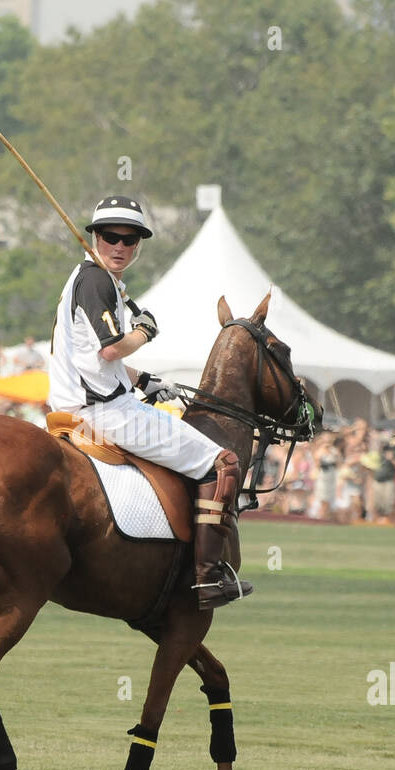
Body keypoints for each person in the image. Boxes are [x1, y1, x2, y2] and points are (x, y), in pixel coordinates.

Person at [47, 195, 249, 610]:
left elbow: (88, 357)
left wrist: (144, 381)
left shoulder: (86, 280)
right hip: (104, 413)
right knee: (224, 462)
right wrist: (144, 330)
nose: (120, 246)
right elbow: (110, 350)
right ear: (95, 237)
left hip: (91, 403)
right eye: (110, 237)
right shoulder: (97, 280)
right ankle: (208, 577)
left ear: (139, 244)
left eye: (130, 238)